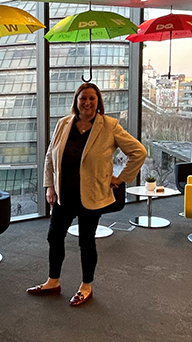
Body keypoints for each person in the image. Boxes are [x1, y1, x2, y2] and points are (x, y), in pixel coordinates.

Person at [27, 83, 147, 306]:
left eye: (92, 98)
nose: (87, 103)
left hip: (91, 195)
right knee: (54, 237)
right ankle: (53, 281)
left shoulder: (109, 126)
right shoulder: (63, 123)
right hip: (64, 194)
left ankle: (86, 286)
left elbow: (139, 152)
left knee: (86, 241)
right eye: (83, 98)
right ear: (76, 100)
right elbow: (49, 157)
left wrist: (120, 179)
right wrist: (49, 186)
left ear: (98, 101)